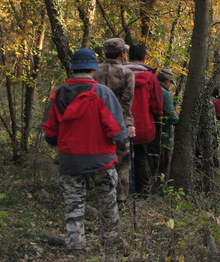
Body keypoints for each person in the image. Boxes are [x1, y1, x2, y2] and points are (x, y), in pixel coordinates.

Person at [42, 48, 129, 256]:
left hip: (70, 160)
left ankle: (75, 245)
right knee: (108, 201)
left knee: (74, 203)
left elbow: (50, 133)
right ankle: (111, 242)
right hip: (103, 159)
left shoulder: (59, 93)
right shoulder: (103, 93)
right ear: (92, 69)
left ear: (74, 68)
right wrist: (126, 135)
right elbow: (117, 132)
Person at [94, 38, 136, 206]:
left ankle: (102, 194)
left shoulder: (94, 70)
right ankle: (120, 197)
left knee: (100, 158)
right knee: (123, 161)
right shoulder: (127, 73)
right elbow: (127, 102)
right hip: (120, 121)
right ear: (122, 54)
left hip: (97, 122)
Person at [124, 45, 163, 196]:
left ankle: (124, 190)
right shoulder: (151, 78)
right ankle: (142, 190)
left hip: (121, 125)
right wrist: (158, 120)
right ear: (144, 58)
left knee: (122, 158)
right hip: (143, 125)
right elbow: (157, 104)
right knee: (140, 157)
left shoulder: (119, 75)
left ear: (128, 57)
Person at [148, 68, 179, 187]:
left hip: (149, 132)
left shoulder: (151, 88)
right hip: (163, 135)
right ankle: (160, 188)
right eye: (170, 83)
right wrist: (179, 122)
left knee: (150, 163)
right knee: (163, 165)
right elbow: (170, 116)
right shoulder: (165, 94)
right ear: (167, 81)